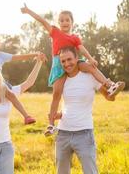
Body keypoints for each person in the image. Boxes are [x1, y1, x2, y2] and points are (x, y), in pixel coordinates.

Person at [21, 4, 125, 136]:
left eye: (67, 20)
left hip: (74, 62)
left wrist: (90, 59)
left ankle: (110, 85)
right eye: (62, 20)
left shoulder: (75, 38)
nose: (64, 22)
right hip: (59, 65)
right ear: (58, 23)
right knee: (56, 95)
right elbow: (42, 21)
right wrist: (28, 11)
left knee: (91, 68)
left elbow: (81, 49)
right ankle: (51, 124)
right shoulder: (55, 32)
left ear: (72, 23)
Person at [53, 46, 112, 174]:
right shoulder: (61, 80)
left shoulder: (89, 76)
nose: (67, 64)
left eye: (69, 59)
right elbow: (66, 104)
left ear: (77, 58)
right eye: (63, 61)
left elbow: (108, 97)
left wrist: (113, 93)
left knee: (90, 171)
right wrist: (58, 114)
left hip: (84, 133)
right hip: (63, 133)